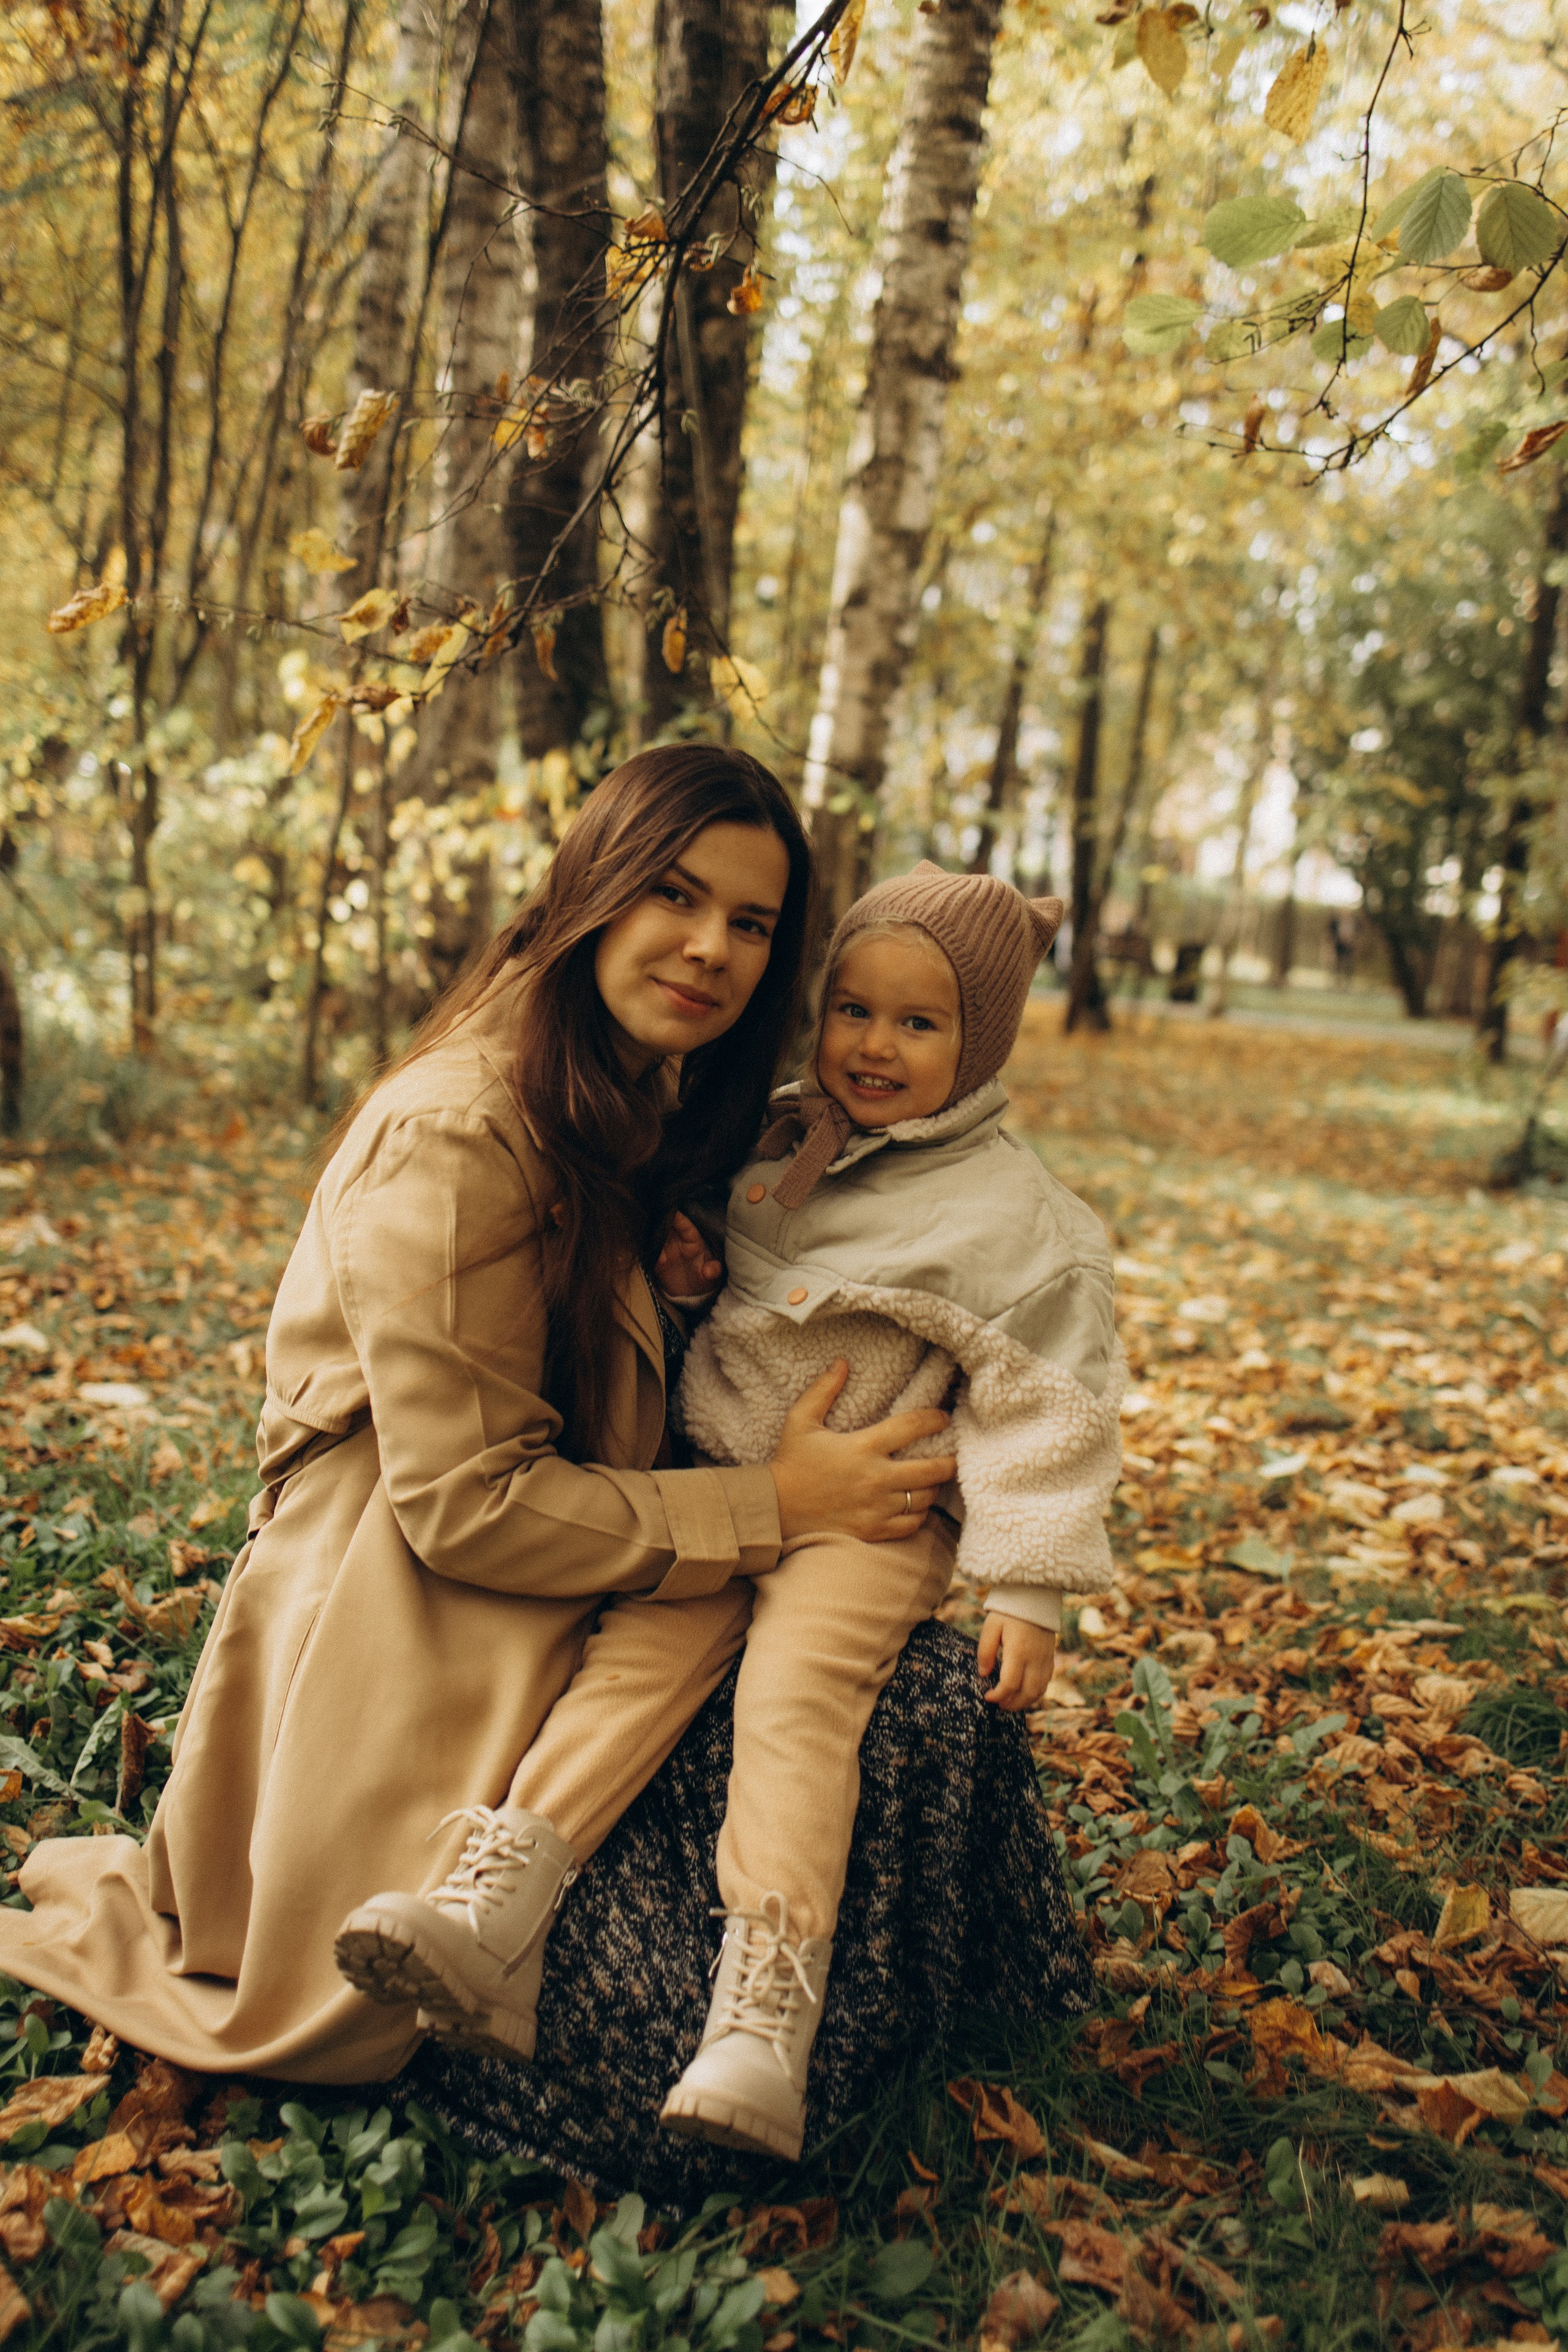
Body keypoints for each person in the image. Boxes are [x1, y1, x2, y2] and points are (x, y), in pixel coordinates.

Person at [0, 747, 957, 2083]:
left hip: (511, 1553)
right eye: (672, 896)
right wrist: (776, 1507)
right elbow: (467, 1504)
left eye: (750, 923)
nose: (708, 949)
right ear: (594, 889)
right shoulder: (460, 1129)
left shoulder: (615, 1087)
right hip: (395, 1608)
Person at [342, 862, 1121, 2159]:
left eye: (918, 1027)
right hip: (725, 1482)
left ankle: (765, 2010)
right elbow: (723, 1284)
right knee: (629, 1663)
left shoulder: (1018, 1224)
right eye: (853, 1010)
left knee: (794, 1703)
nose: (872, 1047)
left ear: (977, 1045)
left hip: (868, 1520)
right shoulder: (779, 1136)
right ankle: (498, 1902)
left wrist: (1027, 1583)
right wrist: (691, 1263)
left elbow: (1050, 1401)